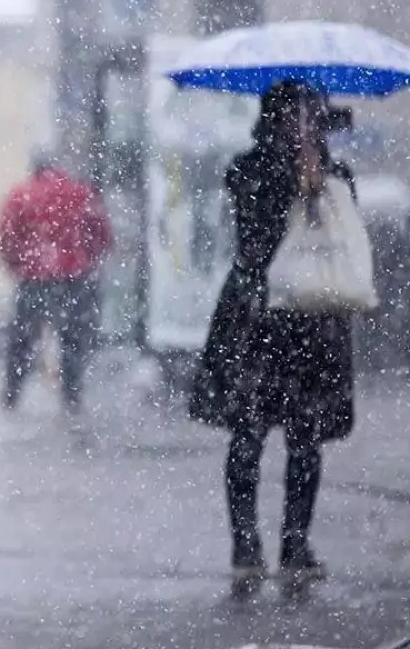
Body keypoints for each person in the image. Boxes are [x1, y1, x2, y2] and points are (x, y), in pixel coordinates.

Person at [190, 80, 355, 595]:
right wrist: (295, 182)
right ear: (274, 118)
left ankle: (295, 544)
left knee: (305, 440)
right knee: (249, 433)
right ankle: (245, 545)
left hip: (310, 318)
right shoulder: (249, 169)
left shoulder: (334, 174)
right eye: (295, 115)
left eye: (310, 115)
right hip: (258, 318)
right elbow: (256, 239)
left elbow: (345, 238)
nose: (303, 125)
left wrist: (319, 181)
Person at [0, 146, 111, 415]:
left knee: (23, 341)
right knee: (71, 340)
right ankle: (71, 398)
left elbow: (6, 237)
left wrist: (19, 266)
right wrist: (85, 260)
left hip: (34, 278)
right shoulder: (80, 194)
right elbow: (101, 233)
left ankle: (11, 397)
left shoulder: (21, 196)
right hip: (73, 278)